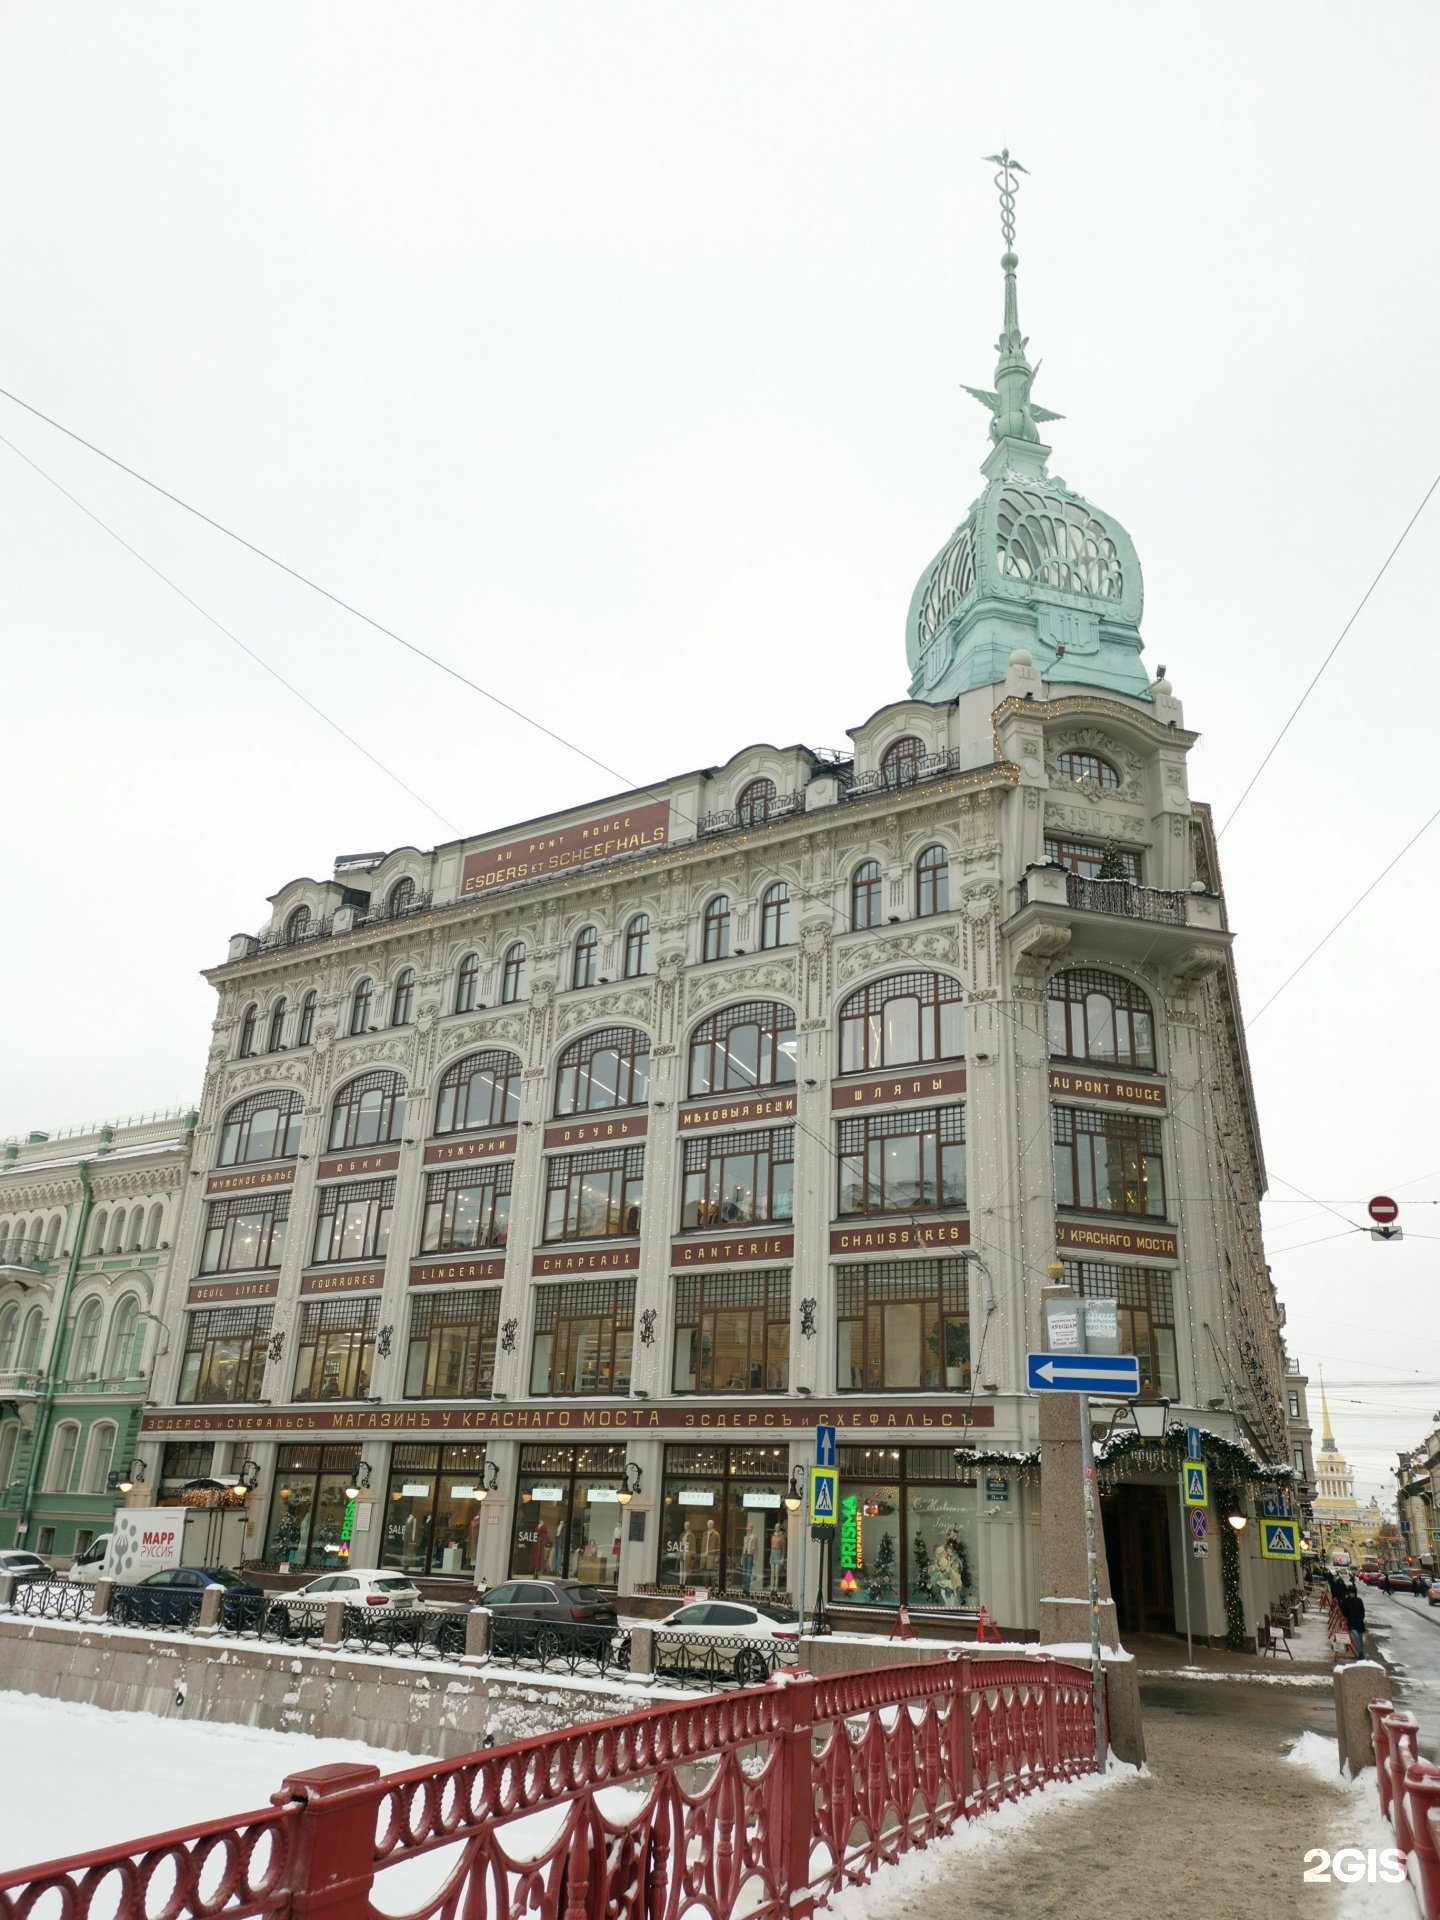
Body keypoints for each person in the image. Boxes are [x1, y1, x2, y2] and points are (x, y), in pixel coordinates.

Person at [1339, 1582, 1366, 1661]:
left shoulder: (1359, 1601)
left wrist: (1361, 1618)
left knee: (1360, 1638)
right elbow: (1343, 1612)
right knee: (1356, 1637)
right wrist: (1346, 1619)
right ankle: (1360, 1653)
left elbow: (1362, 1611)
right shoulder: (1346, 1601)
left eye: (1353, 1593)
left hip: (1359, 1623)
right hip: (1351, 1624)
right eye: (1350, 1593)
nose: (1352, 1594)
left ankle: (1361, 1652)